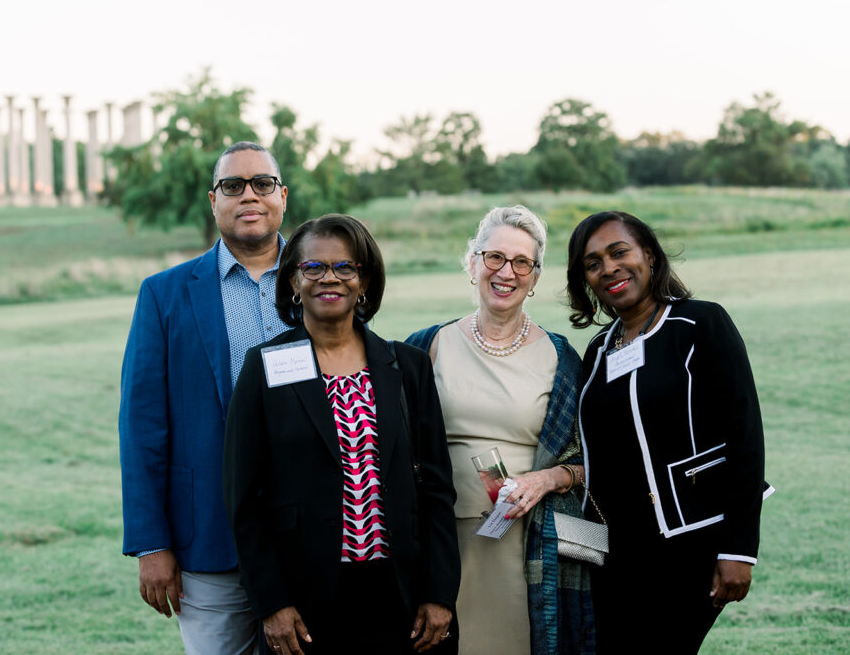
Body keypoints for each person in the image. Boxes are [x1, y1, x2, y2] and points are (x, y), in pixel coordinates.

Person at [223, 214, 460, 655]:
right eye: (313, 267)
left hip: (401, 592)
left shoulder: (407, 367)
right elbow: (244, 501)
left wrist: (440, 592)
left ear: (364, 280)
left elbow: (438, 489)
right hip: (305, 599)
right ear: (293, 281)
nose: (328, 278)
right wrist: (272, 603)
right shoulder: (263, 366)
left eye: (344, 267)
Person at [566, 211, 771, 653]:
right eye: (593, 263)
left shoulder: (700, 324)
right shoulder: (599, 349)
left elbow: (745, 436)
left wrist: (739, 550)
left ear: (651, 257)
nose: (609, 268)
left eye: (619, 252)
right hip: (615, 552)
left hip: (692, 543)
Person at [118, 141, 293, 655]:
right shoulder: (164, 294)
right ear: (212, 200)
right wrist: (152, 544)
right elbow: (142, 426)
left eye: (262, 183)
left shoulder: (323, 279)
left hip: (311, 536)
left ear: (282, 195)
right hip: (209, 540)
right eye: (232, 186)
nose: (249, 196)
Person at [406, 205, 594, 654]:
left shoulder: (561, 358)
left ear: (534, 275)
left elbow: (594, 460)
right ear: (473, 264)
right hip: (438, 541)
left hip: (525, 544)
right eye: (494, 257)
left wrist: (545, 479)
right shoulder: (426, 346)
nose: (506, 272)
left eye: (522, 262)